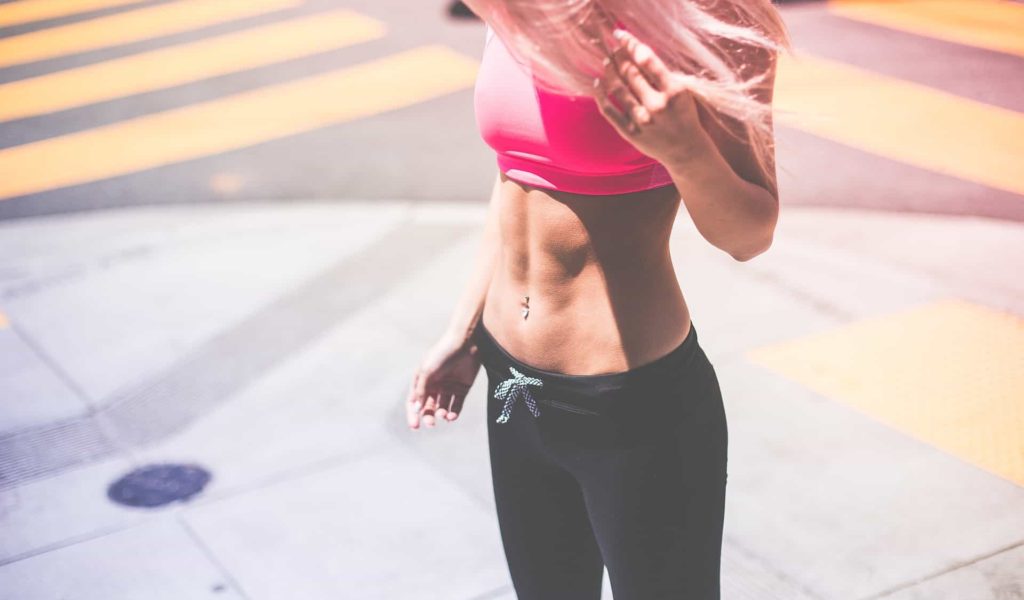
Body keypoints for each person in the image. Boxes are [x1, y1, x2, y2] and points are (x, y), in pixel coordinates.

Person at [407, 1, 791, 598]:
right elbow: (513, 178)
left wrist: (684, 147)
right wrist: (465, 329)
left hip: (630, 404)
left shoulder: (716, 15)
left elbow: (750, 235)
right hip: (513, 385)